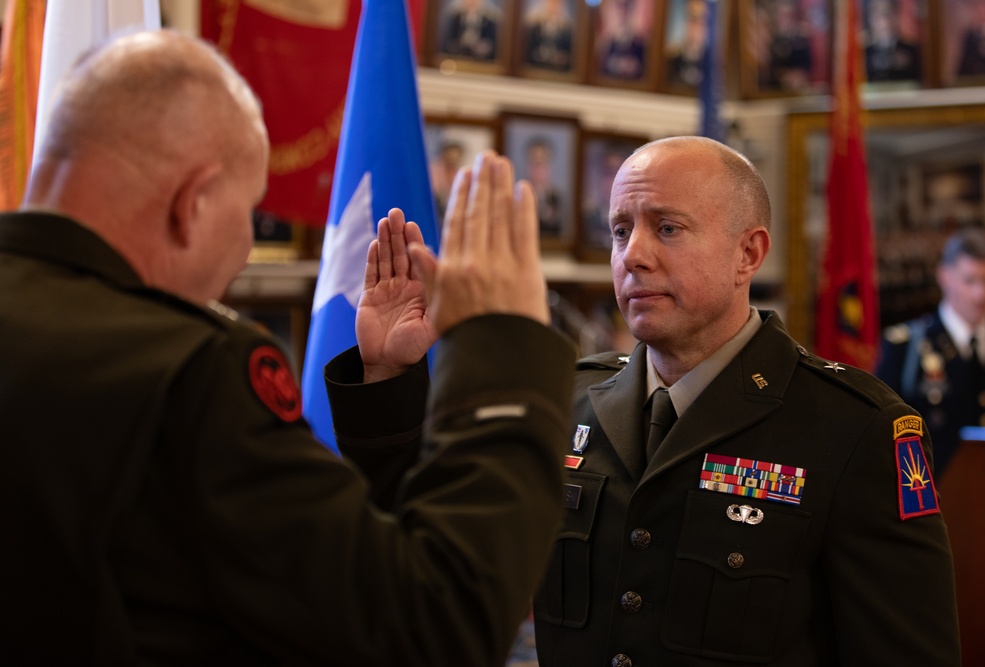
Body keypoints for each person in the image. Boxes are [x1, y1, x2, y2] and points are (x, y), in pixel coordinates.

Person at [0, 29, 577, 665]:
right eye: (248, 210)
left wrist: (384, 381)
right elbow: (429, 625)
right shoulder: (192, 370)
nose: (247, 248)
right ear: (192, 204)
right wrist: (502, 360)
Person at [331, 136, 961, 665]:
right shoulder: (563, 398)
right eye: (620, 230)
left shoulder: (855, 428)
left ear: (749, 252)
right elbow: (419, 555)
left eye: (667, 228)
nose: (632, 256)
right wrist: (388, 370)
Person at [876, 227, 985, 477]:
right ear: (945, 276)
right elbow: (881, 432)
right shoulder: (906, 347)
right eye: (970, 280)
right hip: (933, 496)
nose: (980, 294)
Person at [864, 0, 922, 83]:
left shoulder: (912, 51)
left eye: (887, 14)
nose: (883, 20)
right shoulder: (864, 54)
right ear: (870, 19)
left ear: (896, 16)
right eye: (877, 14)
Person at [664, 0, 709, 89]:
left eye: (701, 21)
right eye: (692, 19)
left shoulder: (710, 61)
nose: (695, 26)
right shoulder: (673, 58)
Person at [522, 0, 574, 72]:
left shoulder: (567, 29)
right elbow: (526, 50)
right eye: (550, 2)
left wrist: (563, 58)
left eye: (556, 2)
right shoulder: (534, 25)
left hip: (558, 72)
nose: (553, 5)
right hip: (535, 70)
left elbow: (570, 54)